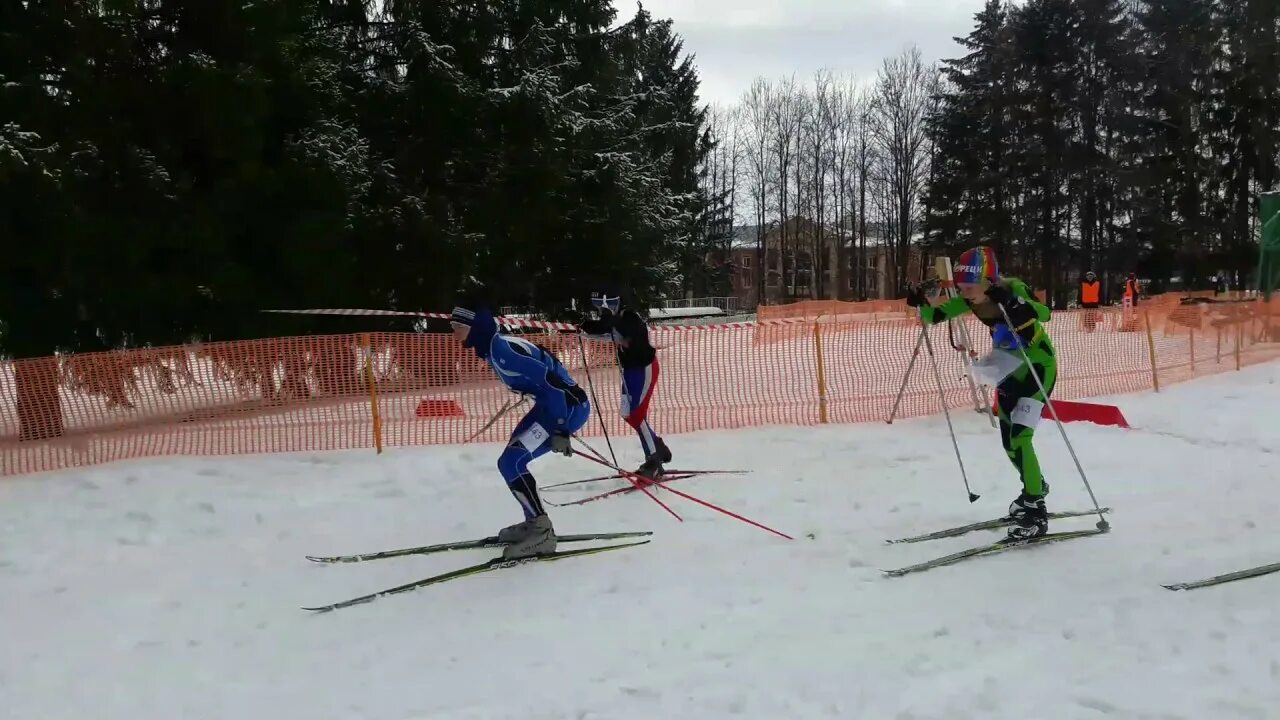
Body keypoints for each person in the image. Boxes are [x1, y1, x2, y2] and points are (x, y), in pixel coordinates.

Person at [906, 246, 1056, 539]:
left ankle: (1036, 507)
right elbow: (935, 316)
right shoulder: (970, 301)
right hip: (1008, 369)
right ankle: (1034, 486)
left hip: (1037, 368)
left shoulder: (1011, 288)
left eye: (971, 286)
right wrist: (919, 302)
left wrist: (1012, 303)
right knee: (1008, 442)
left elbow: (1044, 313)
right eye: (961, 287)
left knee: (1021, 437)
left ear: (988, 280)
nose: (965, 293)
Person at [451, 305, 590, 559]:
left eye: (456, 327)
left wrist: (560, 428)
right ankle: (533, 523)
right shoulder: (492, 348)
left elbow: (555, 385)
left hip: (566, 408)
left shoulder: (502, 352)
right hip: (549, 406)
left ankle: (542, 532)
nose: (453, 333)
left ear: (473, 328)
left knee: (511, 462)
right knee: (511, 461)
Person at [578, 298, 673, 480]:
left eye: (604, 307)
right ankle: (656, 446)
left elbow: (621, 329)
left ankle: (653, 462)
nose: (601, 311)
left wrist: (605, 323)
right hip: (629, 371)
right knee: (627, 413)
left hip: (644, 369)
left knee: (637, 414)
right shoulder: (615, 321)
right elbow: (604, 331)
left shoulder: (630, 318)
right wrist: (583, 327)